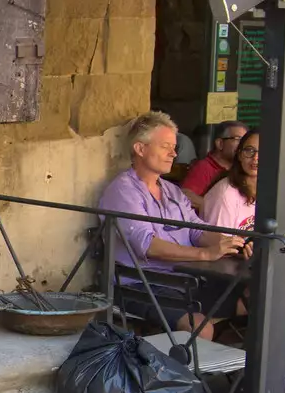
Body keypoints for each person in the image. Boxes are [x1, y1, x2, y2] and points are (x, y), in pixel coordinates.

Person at [98, 112, 242, 338]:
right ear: (140, 149)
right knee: (200, 328)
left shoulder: (171, 190)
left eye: (174, 147)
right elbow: (148, 245)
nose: (174, 153)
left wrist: (231, 243)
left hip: (182, 281)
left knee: (259, 302)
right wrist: (205, 254)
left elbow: (196, 229)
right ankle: (183, 372)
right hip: (141, 286)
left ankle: (246, 371)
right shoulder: (123, 191)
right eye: (166, 146)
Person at [199, 130, 285, 355]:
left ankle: (278, 362)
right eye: (249, 151)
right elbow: (213, 246)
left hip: (261, 270)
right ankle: (259, 370)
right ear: (239, 155)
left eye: (264, 152)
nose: (256, 158)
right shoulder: (225, 194)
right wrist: (241, 249)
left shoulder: (272, 191)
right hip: (226, 278)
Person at [179, 120, 246, 207]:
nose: (243, 145)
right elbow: (186, 194)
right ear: (220, 144)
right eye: (238, 139)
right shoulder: (204, 167)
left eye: (245, 140)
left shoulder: (242, 168)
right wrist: (215, 208)